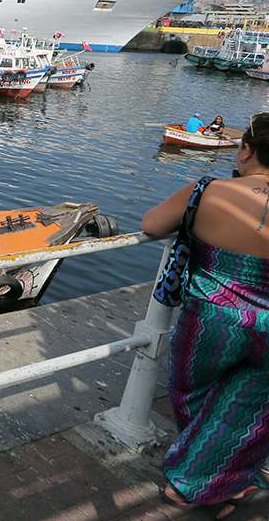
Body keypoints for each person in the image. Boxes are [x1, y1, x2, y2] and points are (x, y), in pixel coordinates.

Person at [143, 113, 269, 518]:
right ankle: (230, 479)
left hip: (210, 319)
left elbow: (151, 223)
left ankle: (190, 485)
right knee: (251, 404)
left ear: (246, 150)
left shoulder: (207, 190)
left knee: (190, 392)